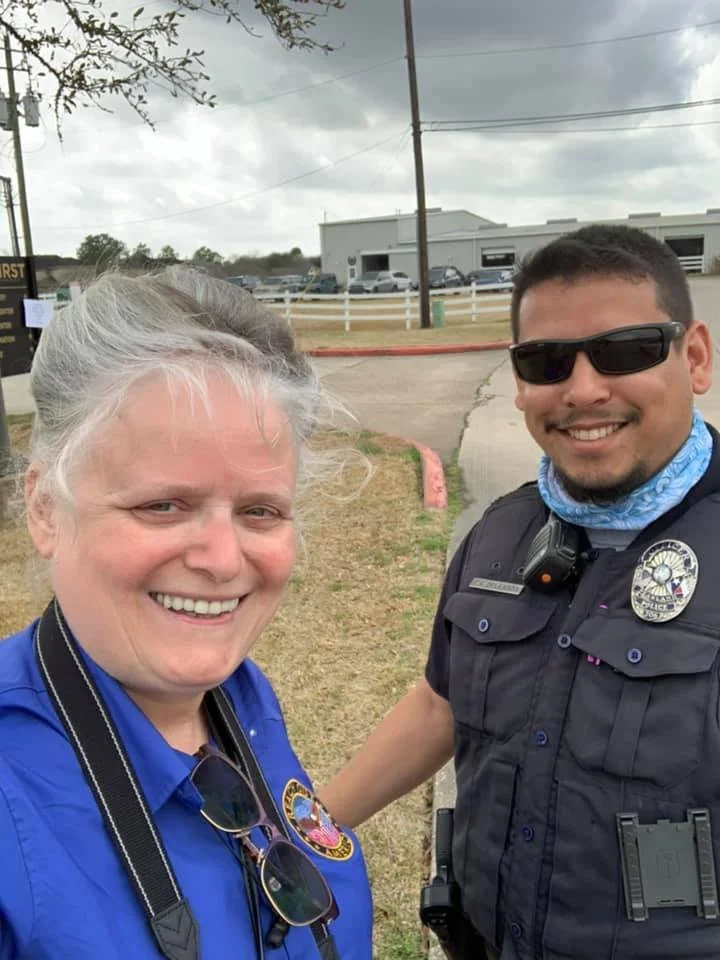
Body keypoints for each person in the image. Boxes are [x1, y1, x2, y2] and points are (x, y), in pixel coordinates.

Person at [320, 223, 719, 959]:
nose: (584, 389)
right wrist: (308, 832)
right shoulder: (497, 535)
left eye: (625, 350)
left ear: (693, 356)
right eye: (548, 361)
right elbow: (440, 702)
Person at [0, 268, 372, 959]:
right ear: (44, 508)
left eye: (260, 511)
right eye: (161, 505)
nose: (222, 559)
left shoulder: (240, 700)